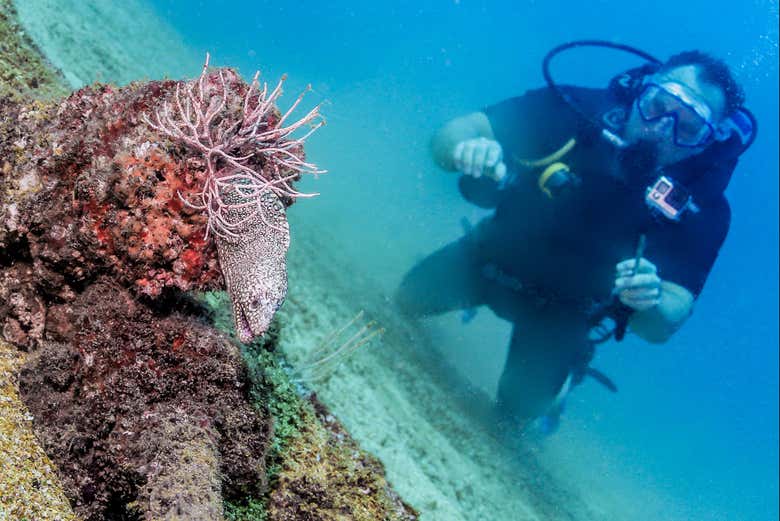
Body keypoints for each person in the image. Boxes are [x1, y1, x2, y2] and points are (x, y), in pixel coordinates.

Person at [394, 44, 755, 431]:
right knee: (405, 299)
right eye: (659, 105)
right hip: (487, 258)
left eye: (686, 127)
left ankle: (564, 381)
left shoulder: (703, 207)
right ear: (640, 91)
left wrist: (650, 302)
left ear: (705, 142)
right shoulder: (572, 110)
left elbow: (665, 323)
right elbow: (456, 132)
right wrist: (465, 148)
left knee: (516, 413)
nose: (661, 128)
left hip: (564, 313)